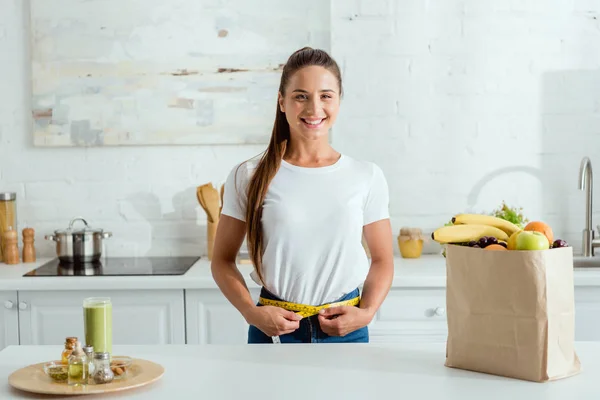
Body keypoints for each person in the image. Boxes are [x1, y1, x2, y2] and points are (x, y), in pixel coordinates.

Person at [211, 47, 394, 344]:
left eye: (325, 96)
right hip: (273, 327)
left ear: (338, 101)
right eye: (300, 96)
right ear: (282, 102)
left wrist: (368, 311)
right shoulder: (248, 175)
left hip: (345, 329)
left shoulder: (366, 175)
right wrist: (250, 312)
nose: (314, 108)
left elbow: (383, 259)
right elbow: (222, 260)